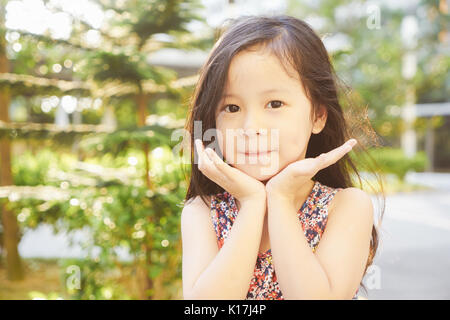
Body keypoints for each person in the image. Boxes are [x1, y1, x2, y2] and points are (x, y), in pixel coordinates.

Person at [180, 14, 384, 300]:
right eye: (232, 108)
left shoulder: (346, 207)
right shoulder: (202, 212)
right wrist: (252, 203)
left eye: (274, 104)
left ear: (318, 115)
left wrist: (280, 200)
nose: (251, 127)